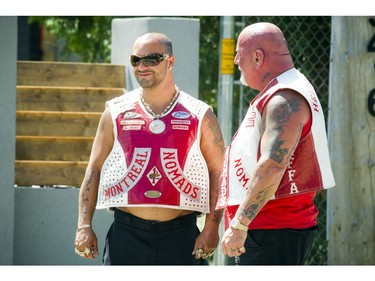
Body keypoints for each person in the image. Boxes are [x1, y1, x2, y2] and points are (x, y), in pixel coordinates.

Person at [74, 32, 225, 265]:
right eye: (136, 60)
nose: (142, 66)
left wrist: (212, 227)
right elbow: (93, 168)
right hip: (126, 235)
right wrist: (84, 225)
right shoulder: (115, 111)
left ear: (170, 61)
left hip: (182, 236)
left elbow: (219, 173)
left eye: (152, 59)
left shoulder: (200, 113)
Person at [216, 22, 335, 265]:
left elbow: (272, 165)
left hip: (272, 231)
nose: (236, 60)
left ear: (258, 58)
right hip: (271, 230)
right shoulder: (285, 90)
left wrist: (239, 224)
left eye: (240, 54)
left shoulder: (284, 98)